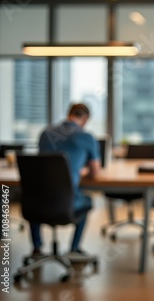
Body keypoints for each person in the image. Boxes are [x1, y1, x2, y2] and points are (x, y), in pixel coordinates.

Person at [30, 103, 101, 257]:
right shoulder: (86, 137)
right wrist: (83, 170)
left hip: (37, 203)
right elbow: (95, 173)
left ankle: (37, 248)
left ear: (69, 113)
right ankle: (74, 248)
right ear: (85, 118)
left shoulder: (45, 133)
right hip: (67, 203)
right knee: (86, 199)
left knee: (33, 195)